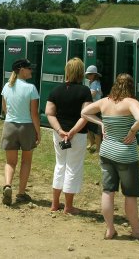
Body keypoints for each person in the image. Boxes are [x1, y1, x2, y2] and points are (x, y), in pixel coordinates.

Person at [81, 74, 139, 241]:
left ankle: (110, 230)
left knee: (108, 191)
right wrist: (132, 130)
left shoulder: (105, 101)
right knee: (130, 194)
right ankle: (136, 231)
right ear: (131, 86)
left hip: (106, 152)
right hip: (126, 155)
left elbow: (84, 112)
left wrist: (101, 123)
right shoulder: (131, 102)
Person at [45, 57, 92, 214]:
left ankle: (54, 203)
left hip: (59, 134)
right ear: (80, 72)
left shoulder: (55, 90)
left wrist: (60, 131)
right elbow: (85, 115)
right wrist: (72, 132)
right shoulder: (85, 91)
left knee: (60, 165)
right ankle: (68, 206)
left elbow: (49, 113)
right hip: (77, 135)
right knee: (73, 167)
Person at [1, 59, 41, 206]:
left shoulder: (7, 86)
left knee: (10, 162)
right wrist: (38, 132)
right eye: (29, 68)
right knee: (26, 161)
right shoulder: (31, 88)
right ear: (22, 70)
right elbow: (34, 114)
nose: (31, 70)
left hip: (9, 126)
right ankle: (21, 193)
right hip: (26, 127)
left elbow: (4, 109)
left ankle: (7, 185)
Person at [85, 65, 103, 152]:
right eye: (88, 74)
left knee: (96, 129)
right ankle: (92, 142)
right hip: (91, 107)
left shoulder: (95, 83)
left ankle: (98, 148)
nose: (88, 76)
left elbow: (93, 94)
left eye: (90, 74)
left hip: (95, 108)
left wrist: (83, 96)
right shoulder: (92, 82)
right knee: (88, 127)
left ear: (94, 75)